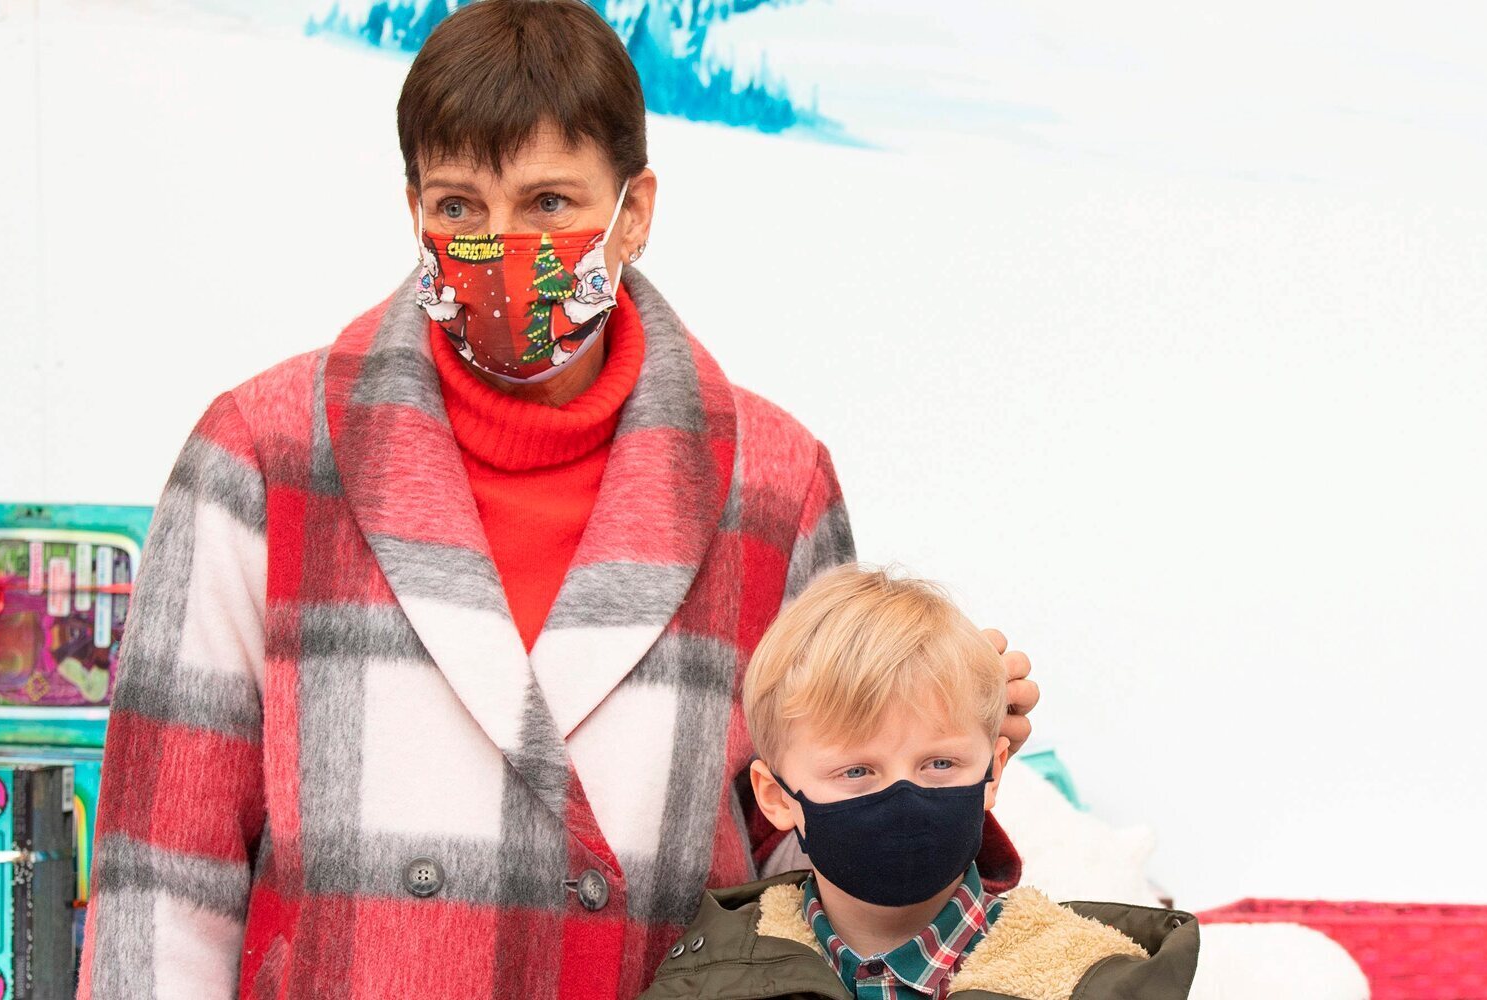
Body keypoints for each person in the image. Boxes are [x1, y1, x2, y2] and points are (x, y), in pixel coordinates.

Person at [79, 2, 1039, 997]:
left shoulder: (772, 484)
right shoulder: (261, 454)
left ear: (634, 210)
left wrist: (935, 768)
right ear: (411, 206)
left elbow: (809, 877)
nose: (501, 249)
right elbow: (162, 872)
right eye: (457, 207)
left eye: (548, 202)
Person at [639, 567, 1197, 1000]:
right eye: (856, 771)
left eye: (938, 764)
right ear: (777, 797)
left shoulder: (1093, 979)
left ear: (994, 770)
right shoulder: (705, 982)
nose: (904, 799)